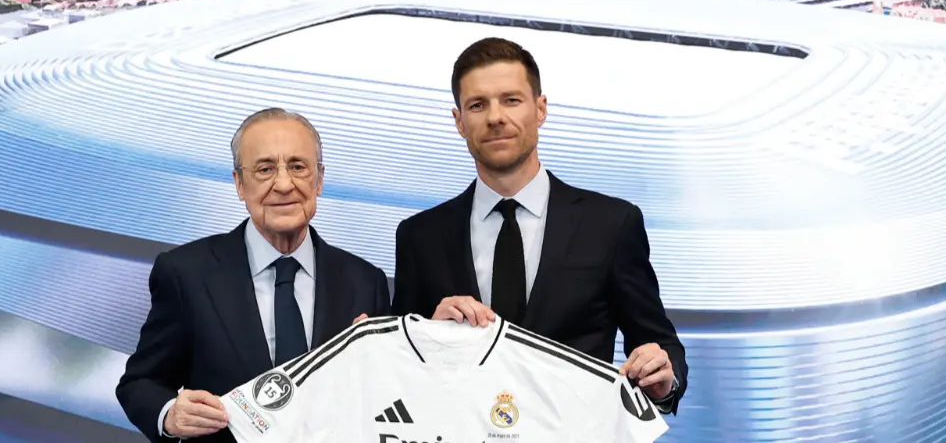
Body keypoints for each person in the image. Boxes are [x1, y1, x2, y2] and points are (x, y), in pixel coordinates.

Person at [391, 37, 688, 414]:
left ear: (540, 108)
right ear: (459, 121)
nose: (495, 117)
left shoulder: (611, 224)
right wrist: (429, 336)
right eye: (478, 104)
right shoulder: (420, 236)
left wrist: (663, 380)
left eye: (511, 100)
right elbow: (396, 369)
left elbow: (658, 343)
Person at [116, 108, 392, 442]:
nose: (284, 185)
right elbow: (140, 383)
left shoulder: (366, 282)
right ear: (239, 184)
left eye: (298, 167)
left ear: (319, 179)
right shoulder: (185, 273)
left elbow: (387, 398)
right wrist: (170, 414)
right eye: (265, 169)